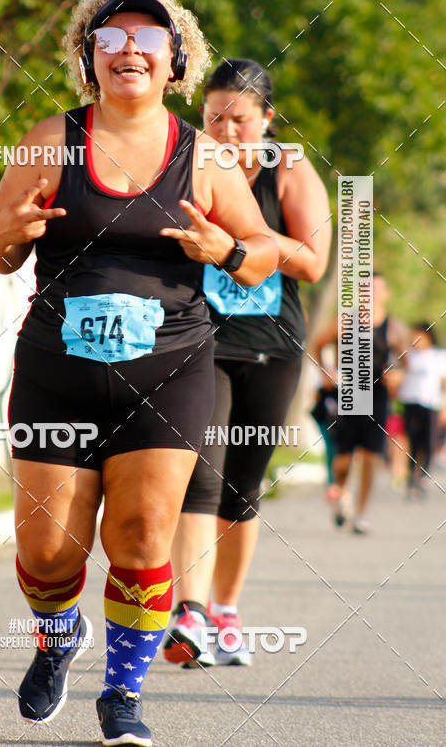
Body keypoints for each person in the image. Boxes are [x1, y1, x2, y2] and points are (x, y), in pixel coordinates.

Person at [0, 0, 278, 746]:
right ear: (89, 58)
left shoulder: (203, 157)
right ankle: (55, 636)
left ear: (176, 61)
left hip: (171, 370)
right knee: (47, 551)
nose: (130, 50)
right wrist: (4, 235)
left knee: (143, 536)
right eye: (111, 38)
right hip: (56, 373)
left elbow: (265, 252)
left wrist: (230, 252)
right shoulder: (50, 140)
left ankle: (123, 693)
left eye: (149, 38)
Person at [163, 59, 331, 668]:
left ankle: (227, 610)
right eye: (213, 118)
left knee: (242, 488)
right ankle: (192, 613)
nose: (226, 130)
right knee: (199, 476)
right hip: (199, 340)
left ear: (266, 118)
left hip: (273, 346)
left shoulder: (289, 168)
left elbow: (313, 264)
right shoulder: (188, 163)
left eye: (239, 118)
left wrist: (242, 245)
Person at [313, 272, 409, 534]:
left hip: (378, 397)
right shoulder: (345, 320)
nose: (373, 294)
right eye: (368, 289)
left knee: (370, 457)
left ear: (386, 293)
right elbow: (318, 344)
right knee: (344, 457)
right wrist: (327, 371)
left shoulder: (394, 327)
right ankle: (342, 494)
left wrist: (397, 376)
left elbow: (404, 362)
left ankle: (361, 514)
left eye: (378, 289)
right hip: (349, 393)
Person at [397, 322, 446, 497]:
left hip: (431, 403)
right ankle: (412, 476)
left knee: (429, 441)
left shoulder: (439, 356)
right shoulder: (408, 355)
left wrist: (444, 407)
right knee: (412, 440)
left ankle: (423, 474)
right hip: (410, 401)